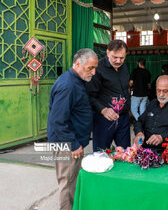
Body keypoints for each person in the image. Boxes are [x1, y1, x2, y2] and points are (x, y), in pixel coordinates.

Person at [47, 48, 98, 210]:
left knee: (73, 181)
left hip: (73, 142)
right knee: (67, 184)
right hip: (67, 145)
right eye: (90, 68)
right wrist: (73, 144)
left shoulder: (77, 80)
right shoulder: (68, 85)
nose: (94, 72)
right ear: (77, 64)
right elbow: (57, 121)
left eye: (95, 68)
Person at [86, 40, 131, 152]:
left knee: (126, 153)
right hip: (104, 120)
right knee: (101, 154)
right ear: (107, 52)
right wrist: (103, 110)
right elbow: (90, 96)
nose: (118, 61)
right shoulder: (97, 69)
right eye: (115, 57)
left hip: (123, 118)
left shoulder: (124, 67)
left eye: (122, 58)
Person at [133, 75, 168, 151]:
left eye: (165, 91)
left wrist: (162, 137)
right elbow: (140, 121)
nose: (161, 94)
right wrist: (139, 133)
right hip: (145, 148)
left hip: (166, 150)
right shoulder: (153, 103)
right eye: (158, 91)